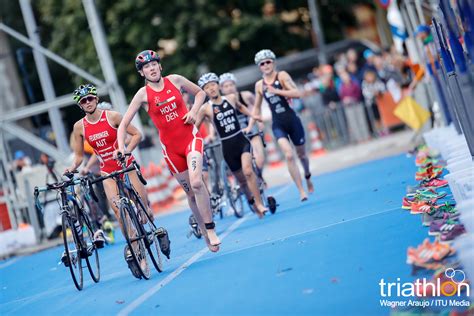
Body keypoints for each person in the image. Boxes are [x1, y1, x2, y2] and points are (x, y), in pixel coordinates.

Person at [117, 50, 221, 252]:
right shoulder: (142, 95)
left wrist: (193, 111)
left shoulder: (176, 80)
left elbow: (201, 93)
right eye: (146, 67)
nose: (152, 68)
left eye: (154, 64)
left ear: (160, 66)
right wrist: (121, 147)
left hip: (191, 139)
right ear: (142, 73)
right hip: (171, 151)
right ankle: (203, 228)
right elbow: (122, 126)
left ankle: (211, 228)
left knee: (197, 182)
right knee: (191, 194)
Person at [65, 84, 166, 276]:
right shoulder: (79, 127)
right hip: (107, 171)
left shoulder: (112, 116)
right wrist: (71, 169)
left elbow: (137, 134)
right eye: (83, 101)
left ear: (96, 99)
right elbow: (78, 157)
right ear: (80, 105)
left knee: (143, 208)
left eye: (90, 98)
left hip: (126, 165)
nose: (87, 102)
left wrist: (126, 150)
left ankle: (149, 224)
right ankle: (138, 254)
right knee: (120, 212)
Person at [196, 73, 268, 218]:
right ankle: (252, 202)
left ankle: (260, 203)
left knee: (248, 171)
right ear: (204, 91)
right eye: (207, 87)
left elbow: (242, 108)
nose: (211, 89)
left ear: (218, 85)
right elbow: (195, 128)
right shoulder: (205, 109)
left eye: (213, 85)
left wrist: (253, 118)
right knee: (241, 181)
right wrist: (195, 142)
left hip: (241, 141)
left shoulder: (231, 98)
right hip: (227, 147)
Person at [248, 49, 314, 201]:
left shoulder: (282, 76)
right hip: (278, 124)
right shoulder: (259, 85)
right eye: (262, 63)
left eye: (268, 62)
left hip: (292, 120)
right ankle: (301, 190)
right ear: (259, 67)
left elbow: (297, 93)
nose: (266, 65)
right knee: (289, 155)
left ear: (273, 62)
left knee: (301, 154)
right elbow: (256, 108)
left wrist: (276, 91)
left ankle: (308, 176)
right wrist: (252, 123)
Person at [218, 73, 267, 183]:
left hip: (250, 130)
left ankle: (259, 176)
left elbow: (256, 107)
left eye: (231, 85)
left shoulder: (245, 96)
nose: (229, 88)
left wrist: (258, 121)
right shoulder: (220, 102)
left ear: (235, 85)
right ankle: (249, 181)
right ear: (221, 89)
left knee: (260, 159)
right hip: (235, 135)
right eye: (226, 86)